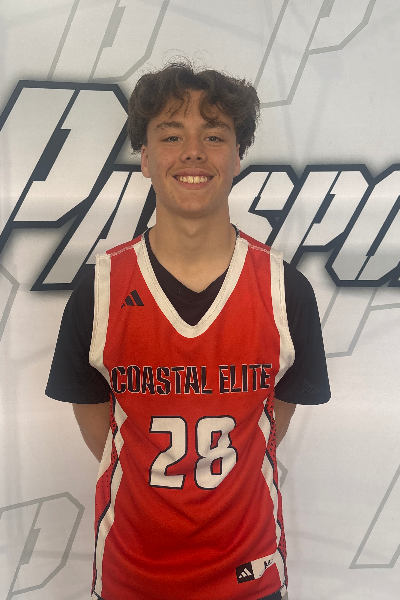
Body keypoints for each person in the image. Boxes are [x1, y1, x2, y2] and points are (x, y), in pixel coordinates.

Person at [46, 62, 330, 600]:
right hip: (131, 575)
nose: (193, 152)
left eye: (214, 136)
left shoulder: (285, 290)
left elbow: (270, 423)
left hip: (250, 575)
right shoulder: (99, 290)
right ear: (145, 157)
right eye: (171, 135)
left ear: (238, 156)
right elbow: (100, 427)